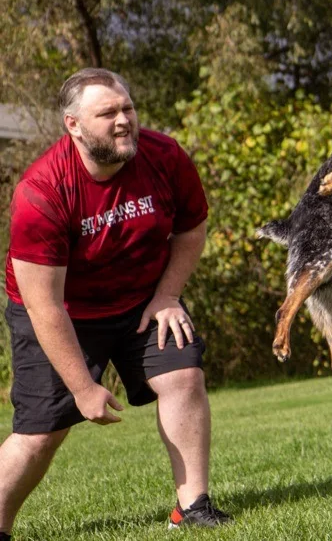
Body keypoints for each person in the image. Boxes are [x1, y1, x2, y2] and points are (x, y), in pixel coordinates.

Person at [0, 68, 230, 538]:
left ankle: (194, 507)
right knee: (42, 433)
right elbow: (45, 306)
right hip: (61, 313)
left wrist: (167, 295)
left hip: (142, 298)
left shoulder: (164, 156)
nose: (124, 120)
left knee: (184, 375)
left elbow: (191, 226)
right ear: (74, 126)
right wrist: (84, 389)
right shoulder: (42, 192)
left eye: (128, 108)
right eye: (108, 113)